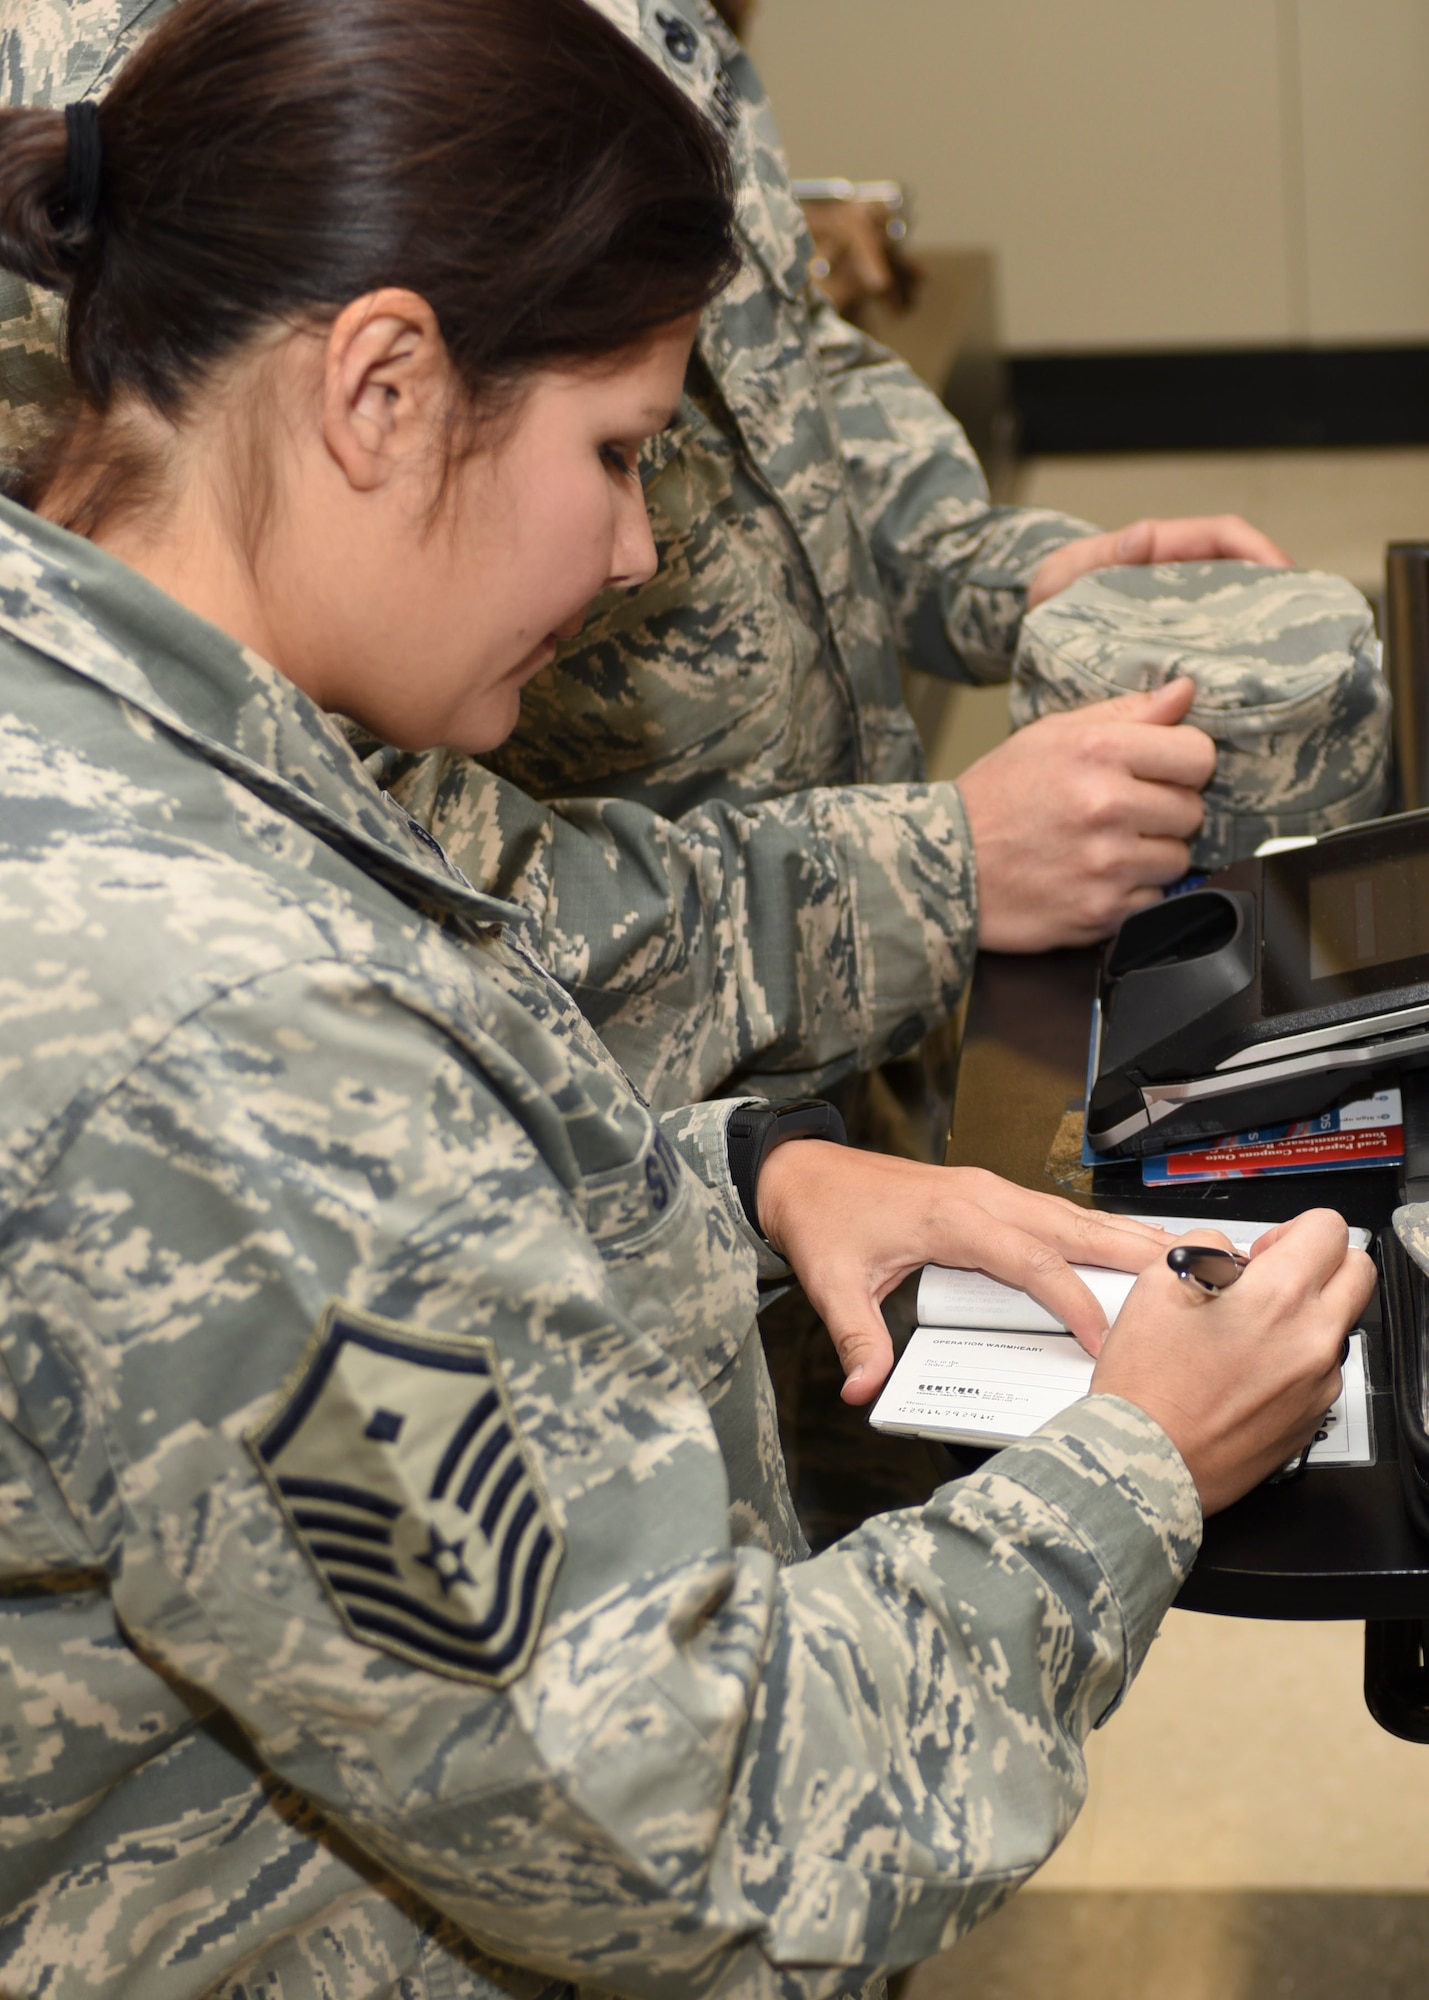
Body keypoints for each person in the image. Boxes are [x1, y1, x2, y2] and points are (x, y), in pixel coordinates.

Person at [0, 4, 1375, 1996]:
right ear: (377, 386)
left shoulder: (118, 705)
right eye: (616, 452)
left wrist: (728, 1186)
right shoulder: (225, 1040)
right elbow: (705, 1839)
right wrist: (1138, 1460)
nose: (642, 542)